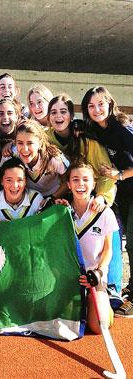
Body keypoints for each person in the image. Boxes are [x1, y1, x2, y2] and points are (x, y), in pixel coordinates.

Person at [81, 86, 133, 316]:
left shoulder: (122, 129)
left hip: (128, 186)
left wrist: (120, 174)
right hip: (121, 195)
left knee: (131, 243)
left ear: (110, 104)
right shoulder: (95, 131)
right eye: (91, 106)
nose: (96, 109)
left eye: (101, 104)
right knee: (124, 244)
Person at [57, 163, 118, 332]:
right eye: (75, 180)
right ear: (68, 185)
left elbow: (108, 249)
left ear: (93, 184)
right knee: (60, 322)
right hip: (68, 278)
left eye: (86, 180)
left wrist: (98, 272)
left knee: (98, 326)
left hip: (93, 277)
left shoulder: (105, 212)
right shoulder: (62, 211)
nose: (81, 184)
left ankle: (103, 302)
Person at [46, 93, 116, 209]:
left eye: (63, 111)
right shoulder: (44, 138)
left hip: (91, 194)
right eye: (53, 112)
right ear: (48, 116)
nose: (58, 116)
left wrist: (101, 197)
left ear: (72, 115)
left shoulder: (87, 139)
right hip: (59, 196)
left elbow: (107, 174)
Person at [3, 119, 69, 198]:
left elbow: (67, 182)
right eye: (20, 142)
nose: (25, 149)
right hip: (28, 197)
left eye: (30, 143)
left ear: (40, 143)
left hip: (54, 196)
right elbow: (1, 177)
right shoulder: (12, 153)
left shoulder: (54, 158)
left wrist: (51, 199)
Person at [0, 157, 43, 225]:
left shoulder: (36, 199)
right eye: (9, 180)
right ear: (1, 181)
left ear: (25, 182)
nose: (15, 185)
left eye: (19, 180)